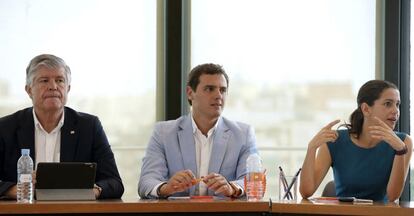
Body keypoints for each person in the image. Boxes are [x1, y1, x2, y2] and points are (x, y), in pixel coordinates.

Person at [0, 54, 124, 199]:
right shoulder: (5, 128)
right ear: (29, 90)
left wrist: (92, 191)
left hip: (73, 211)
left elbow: (114, 183)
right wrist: (16, 190)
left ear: (68, 88)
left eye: (60, 80)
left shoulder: (89, 127)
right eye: (44, 80)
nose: (53, 87)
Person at [138, 63, 258, 199]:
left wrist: (232, 188)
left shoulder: (243, 134)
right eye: (210, 89)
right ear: (190, 93)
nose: (218, 95)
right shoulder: (163, 133)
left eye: (223, 90)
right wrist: (165, 188)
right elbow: (146, 181)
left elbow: (253, 181)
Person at [300, 80, 412, 202]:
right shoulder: (335, 141)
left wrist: (400, 150)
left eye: (397, 104)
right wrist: (311, 148)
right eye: (388, 104)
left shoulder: (403, 142)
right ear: (366, 109)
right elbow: (306, 192)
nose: (395, 110)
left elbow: (393, 196)